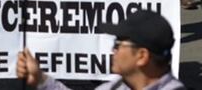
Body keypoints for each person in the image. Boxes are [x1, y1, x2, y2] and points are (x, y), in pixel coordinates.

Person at [16, 10, 184, 90]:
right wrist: (41, 79)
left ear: (142, 56)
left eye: (118, 45)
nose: (113, 51)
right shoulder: (118, 86)